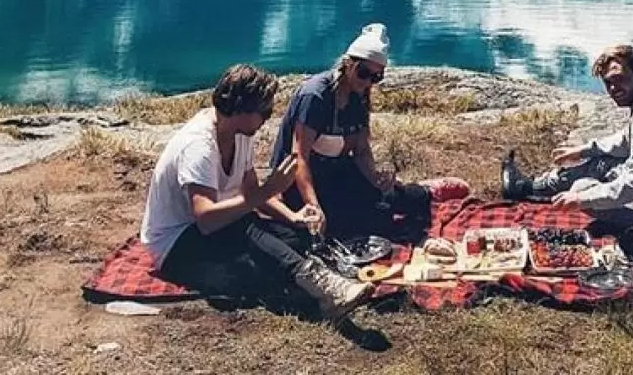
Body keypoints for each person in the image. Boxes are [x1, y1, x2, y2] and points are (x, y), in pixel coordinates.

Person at [140, 64, 373, 320]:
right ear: (241, 108)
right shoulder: (199, 146)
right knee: (245, 225)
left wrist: (292, 217)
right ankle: (325, 286)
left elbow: (251, 192)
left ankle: (292, 278)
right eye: (264, 111)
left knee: (296, 236)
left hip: (217, 229)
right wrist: (269, 190)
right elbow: (206, 218)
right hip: (176, 242)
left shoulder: (240, 135)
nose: (267, 118)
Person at [501, 45, 633, 266]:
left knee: (580, 188)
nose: (614, 88)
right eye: (608, 83)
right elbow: (626, 140)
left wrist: (582, 199)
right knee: (602, 159)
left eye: (619, 78)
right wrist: (585, 149)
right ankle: (532, 187)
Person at [270, 23, 431, 240]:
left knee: (415, 198)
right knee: (367, 219)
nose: (368, 82)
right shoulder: (316, 96)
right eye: (364, 73)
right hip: (301, 184)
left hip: (337, 173)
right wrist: (313, 206)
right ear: (348, 64)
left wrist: (376, 179)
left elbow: (361, 150)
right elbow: (299, 157)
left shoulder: (360, 96)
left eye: (376, 77)